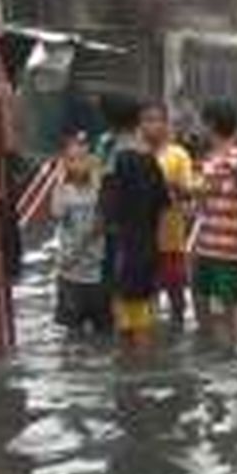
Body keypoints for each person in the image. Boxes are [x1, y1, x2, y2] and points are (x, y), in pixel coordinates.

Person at [100, 96, 170, 348]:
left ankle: (132, 373)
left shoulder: (115, 161)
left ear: (109, 124)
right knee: (142, 315)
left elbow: (107, 211)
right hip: (147, 246)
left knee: (125, 318)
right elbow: (163, 204)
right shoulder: (149, 158)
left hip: (123, 248)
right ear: (137, 122)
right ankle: (142, 369)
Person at [194, 100, 237, 343]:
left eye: (202, 124)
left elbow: (206, 184)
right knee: (221, 308)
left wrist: (185, 185)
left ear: (211, 125)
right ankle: (228, 360)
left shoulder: (233, 158)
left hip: (228, 250)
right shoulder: (212, 159)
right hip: (210, 246)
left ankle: (235, 357)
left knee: (231, 308)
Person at [140, 102, 196, 325]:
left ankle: (177, 335)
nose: (150, 126)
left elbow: (187, 192)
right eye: (146, 120)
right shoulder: (133, 155)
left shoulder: (178, 155)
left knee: (176, 297)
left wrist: (167, 186)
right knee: (147, 296)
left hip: (171, 239)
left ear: (165, 124)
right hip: (143, 240)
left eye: (155, 120)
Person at [50, 130, 109, 335]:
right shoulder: (64, 191)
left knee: (104, 330)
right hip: (69, 273)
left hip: (97, 272)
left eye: (83, 159)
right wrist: (59, 180)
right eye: (72, 160)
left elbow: (102, 222)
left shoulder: (98, 189)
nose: (78, 164)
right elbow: (57, 213)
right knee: (72, 333)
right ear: (65, 163)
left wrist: (96, 176)